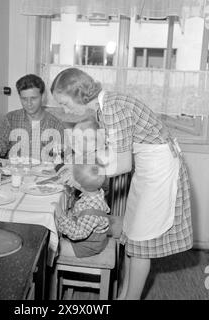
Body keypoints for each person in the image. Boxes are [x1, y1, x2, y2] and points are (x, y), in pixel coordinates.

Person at [50, 67, 193, 300]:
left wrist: (80, 176)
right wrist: (78, 167)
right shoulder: (104, 108)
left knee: (141, 245)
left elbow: (122, 164)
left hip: (159, 172)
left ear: (80, 95)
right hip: (147, 169)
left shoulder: (113, 108)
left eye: (65, 103)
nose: (65, 110)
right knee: (131, 234)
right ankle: (123, 295)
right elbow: (111, 154)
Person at [0, 74, 66, 163]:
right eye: (24, 99)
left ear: (42, 97)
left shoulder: (56, 125)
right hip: (15, 174)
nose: (29, 103)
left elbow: (63, 157)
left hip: (43, 175)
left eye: (33, 98)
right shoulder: (10, 119)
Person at [54, 163, 111, 258]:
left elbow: (77, 233)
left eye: (73, 177)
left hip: (87, 246)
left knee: (51, 248)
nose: (70, 180)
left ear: (79, 184)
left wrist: (61, 217)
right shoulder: (95, 193)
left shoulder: (90, 211)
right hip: (86, 237)